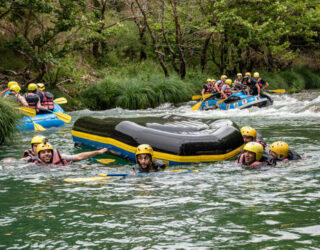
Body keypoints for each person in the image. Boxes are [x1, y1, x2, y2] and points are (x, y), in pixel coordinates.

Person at [32, 142, 108, 166]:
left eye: (48, 151)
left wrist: (98, 152)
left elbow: (79, 157)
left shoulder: (61, 157)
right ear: (38, 155)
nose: (47, 154)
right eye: (43, 152)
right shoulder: (34, 164)